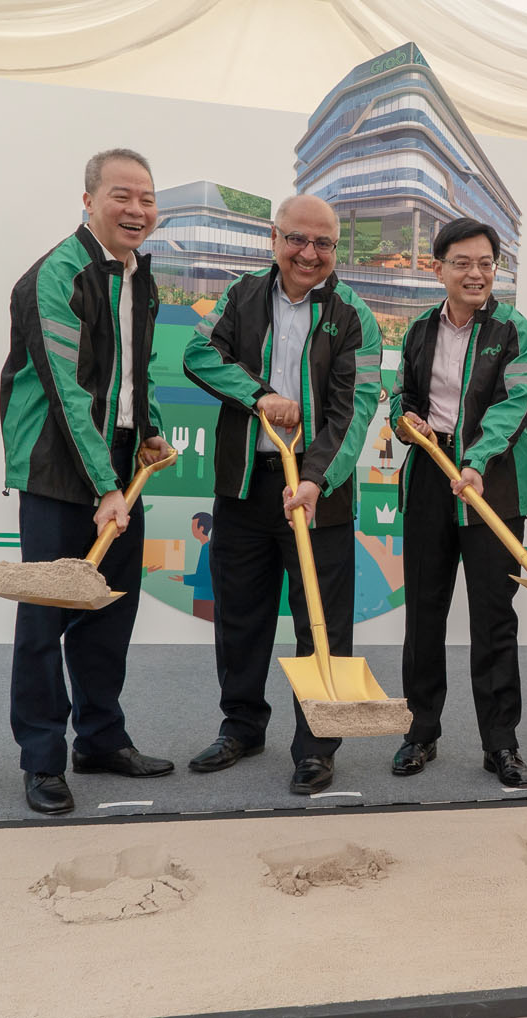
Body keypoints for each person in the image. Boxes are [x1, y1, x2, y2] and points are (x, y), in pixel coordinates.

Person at [182, 194, 381, 795]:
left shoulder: (354, 316)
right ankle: (241, 726)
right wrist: (260, 394)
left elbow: (355, 408)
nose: (309, 253)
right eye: (298, 239)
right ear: (275, 238)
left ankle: (318, 744)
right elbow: (198, 355)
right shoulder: (241, 296)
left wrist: (317, 478)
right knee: (241, 617)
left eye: (323, 243)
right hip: (245, 486)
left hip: (322, 494)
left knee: (322, 625)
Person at [0, 148, 175, 815]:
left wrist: (149, 429)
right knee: (45, 620)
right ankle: (42, 759)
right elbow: (68, 392)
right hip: (58, 465)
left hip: (119, 463)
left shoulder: (140, 278)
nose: (136, 210)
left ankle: (101, 738)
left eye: (147, 199)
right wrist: (105, 484)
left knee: (109, 611)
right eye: (121, 196)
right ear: (89, 200)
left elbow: (129, 378)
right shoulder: (56, 275)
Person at [389, 217, 527, 787]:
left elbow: (514, 404)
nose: (475, 274)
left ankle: (501, 744)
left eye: (485, 264)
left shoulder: (517, 330)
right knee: (424, 617)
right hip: (430, 476)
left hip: (492, 485)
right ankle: (419, 732)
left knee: (494, 620)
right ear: (439, 269)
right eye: (462, 263)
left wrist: (476, 462)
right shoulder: (420, 330)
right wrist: (406, 425)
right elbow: (404, 396)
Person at [170, 512, 215, 621]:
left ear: (201, 528)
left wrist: (183, 578)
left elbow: (205, 578)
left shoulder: (207, 549)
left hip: (205, 599)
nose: (192, 530)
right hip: (203, 598)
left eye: (193, 527)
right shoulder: (206, 547)